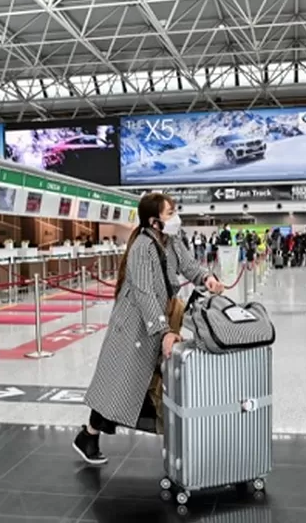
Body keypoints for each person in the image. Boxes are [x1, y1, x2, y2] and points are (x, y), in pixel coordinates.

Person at [73, 193, 225, 465]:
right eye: (170, 212)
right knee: (120, 385)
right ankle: (89, 434)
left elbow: (189, 266)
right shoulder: (142, 247)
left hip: (156, 318)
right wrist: (164, 331)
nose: (175, 216)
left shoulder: (171, 239)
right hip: (133, 326)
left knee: (143, 383)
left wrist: (207, 278)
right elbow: (144, 293)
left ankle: (96, 435)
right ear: (154, 221)